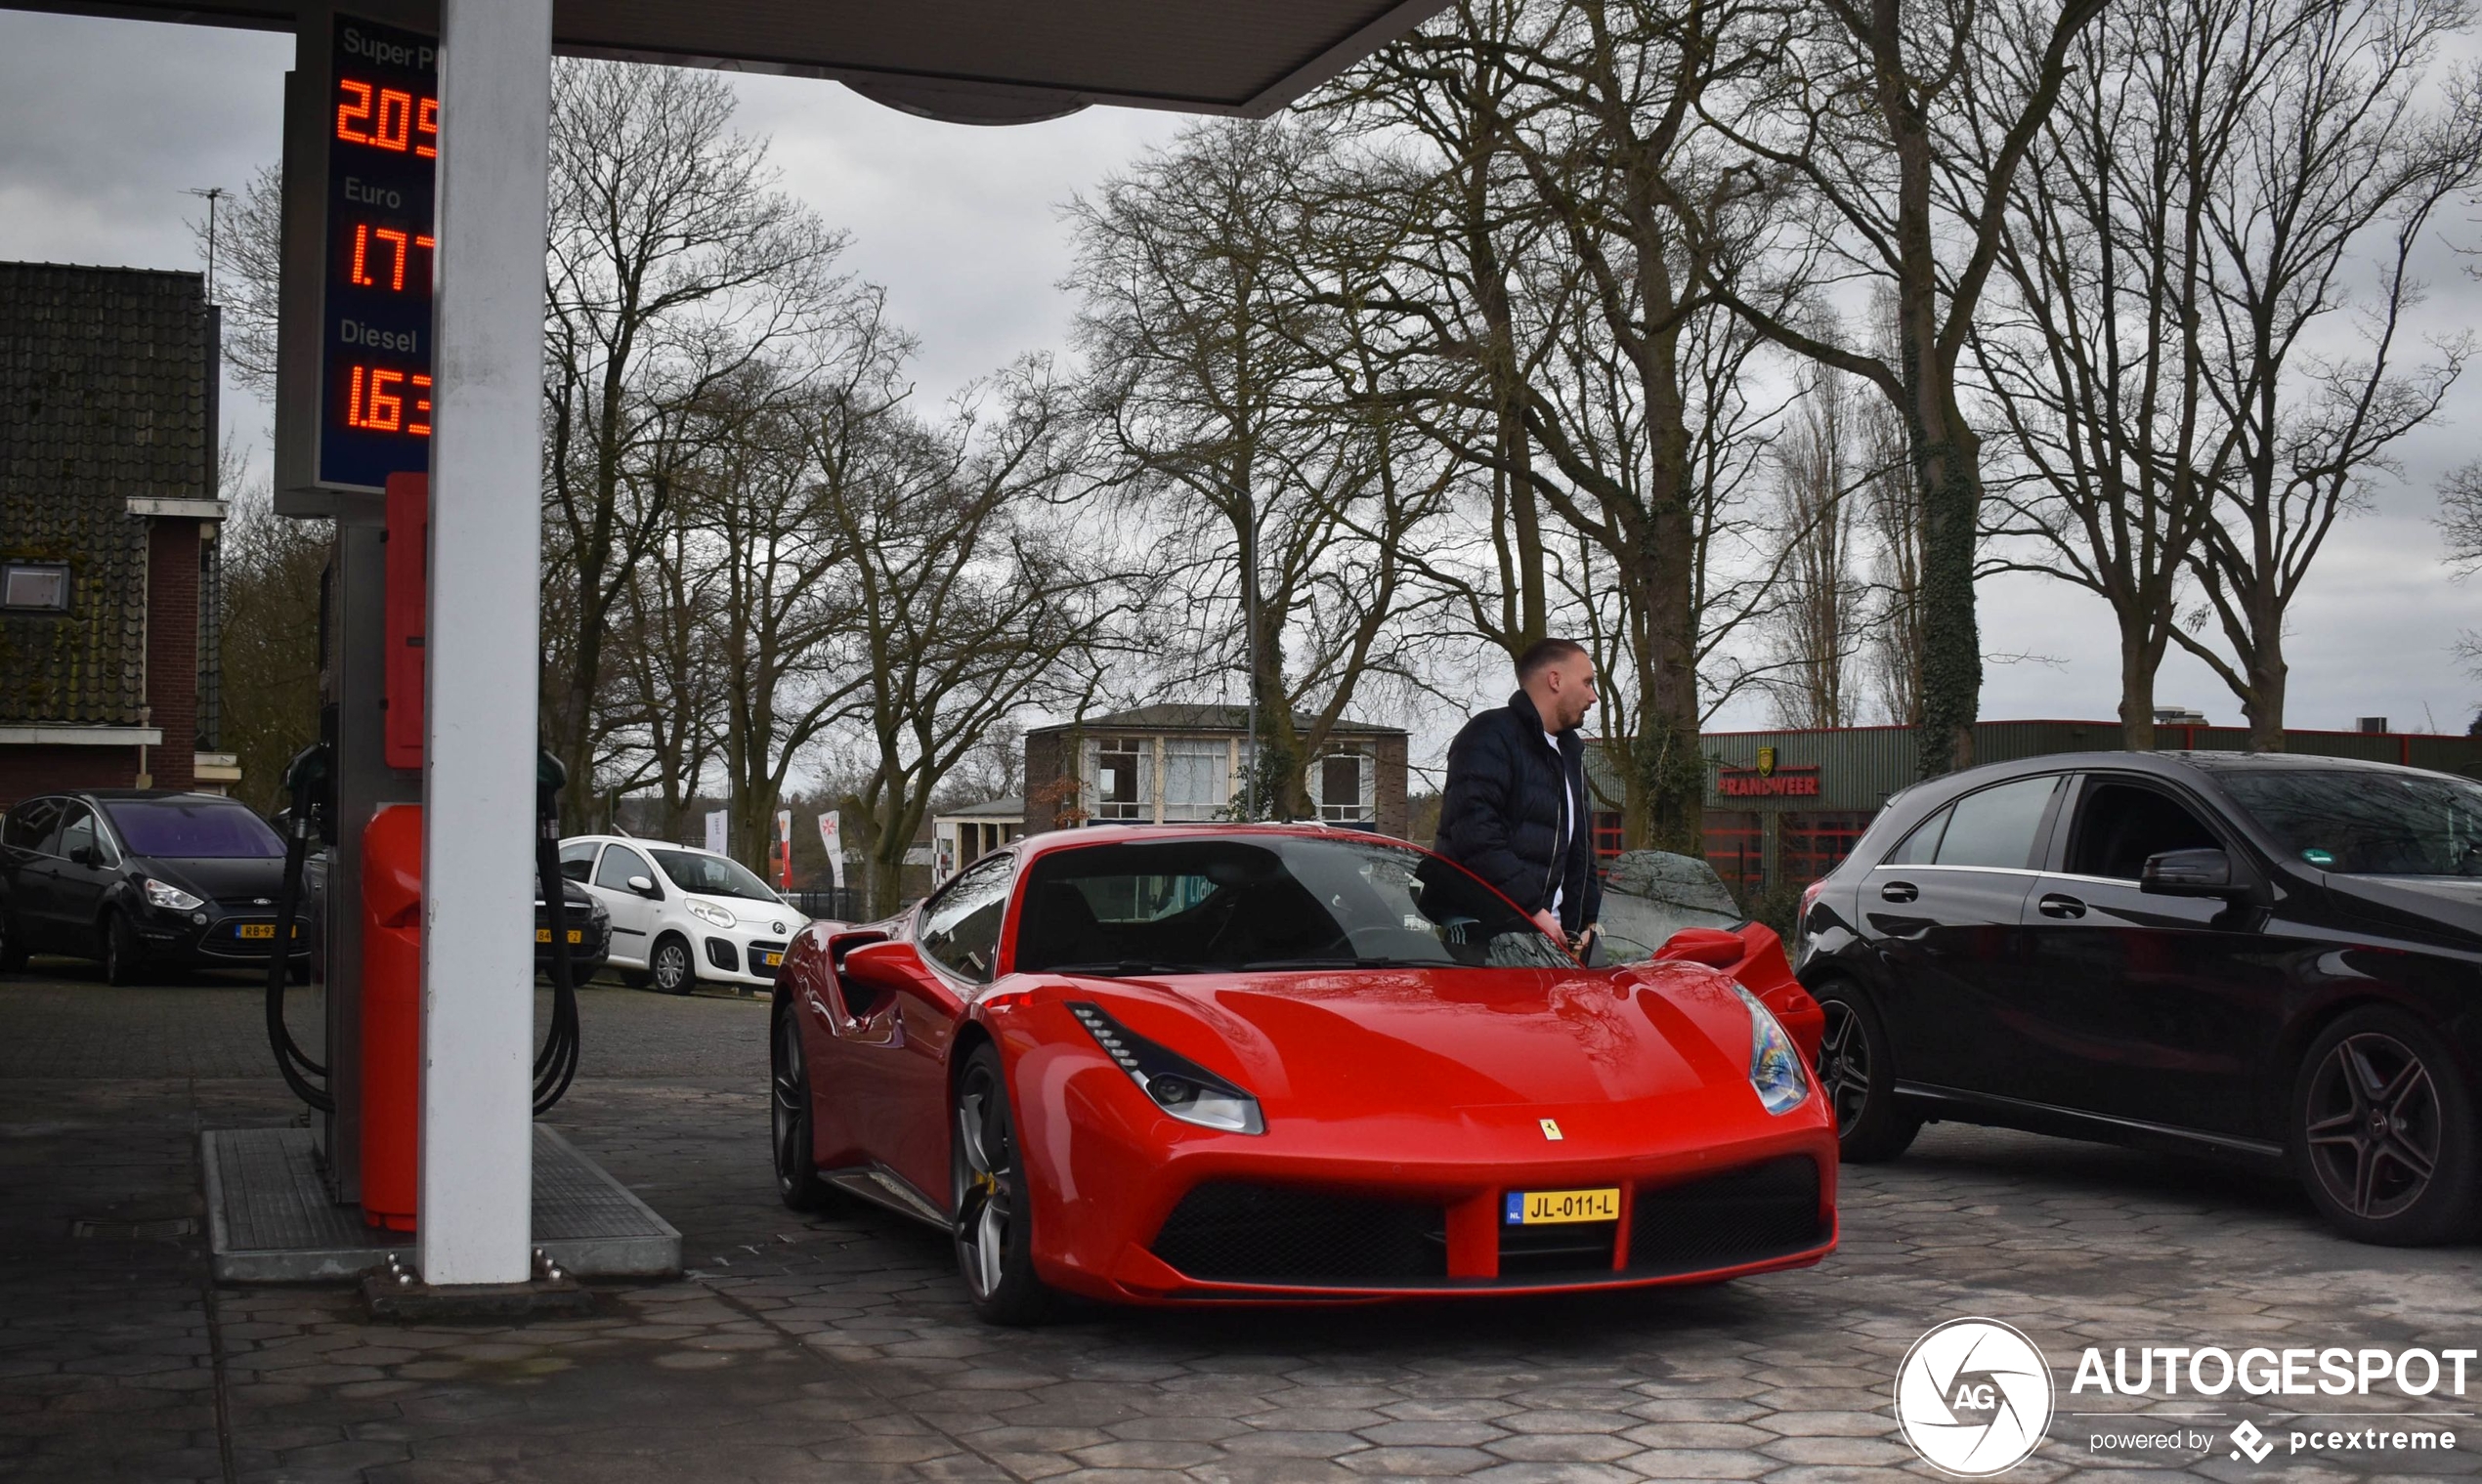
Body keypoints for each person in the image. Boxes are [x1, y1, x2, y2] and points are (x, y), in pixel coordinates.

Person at [1434, 637, 1602, 954]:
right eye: (1588, 682)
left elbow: (1580, 852)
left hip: (1552, 945)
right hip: (1485, 938)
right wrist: (1532, 911)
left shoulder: (1571, 752)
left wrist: (1590, 921)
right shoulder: (1488, 735)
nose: (1593, 697)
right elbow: (1475, 836)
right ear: (1555, 680)